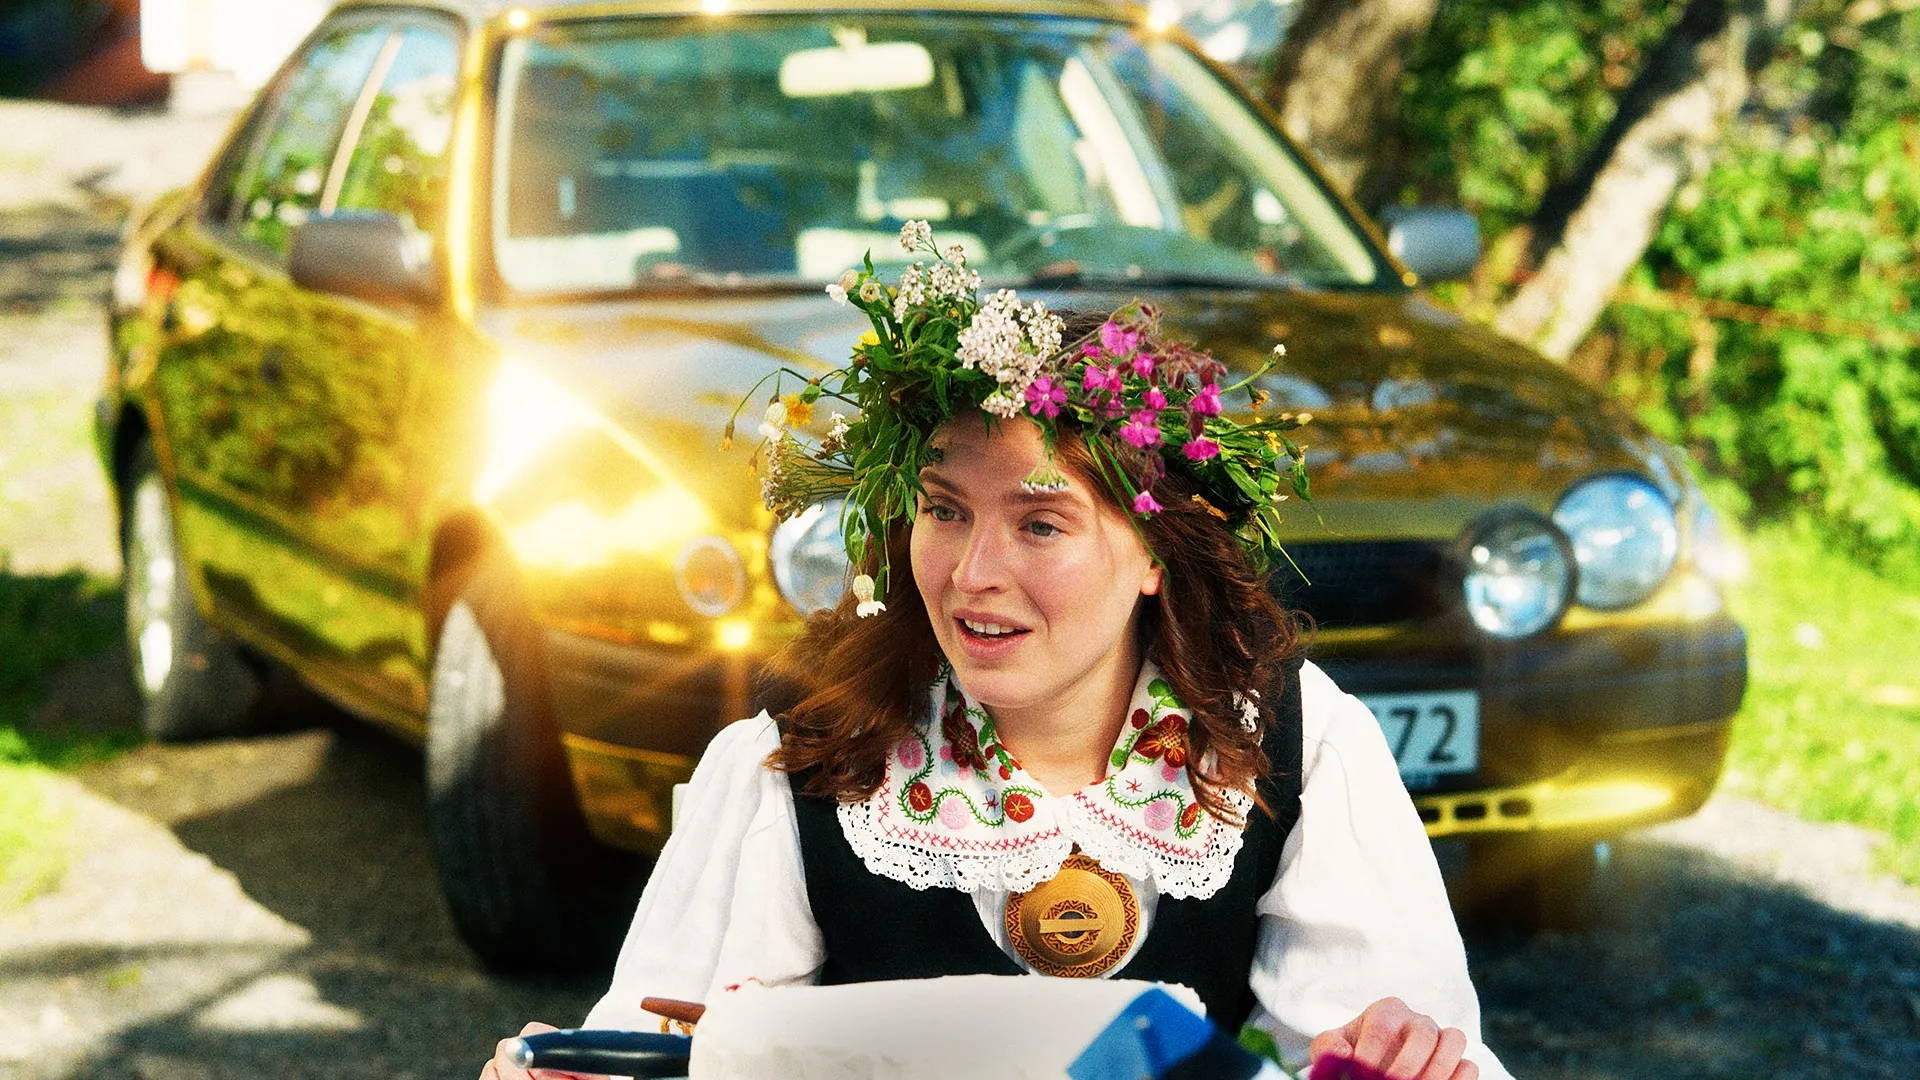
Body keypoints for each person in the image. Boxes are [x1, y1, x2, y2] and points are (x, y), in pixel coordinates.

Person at [484, 224, 1513, 1080]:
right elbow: (668, 1044)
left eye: (1040, 524)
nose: (973, 573)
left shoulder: (1291, 736)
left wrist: (1393, 1057)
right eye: (944, 510)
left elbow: (1385, 1038)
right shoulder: (797, 753)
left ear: (1157, 550)